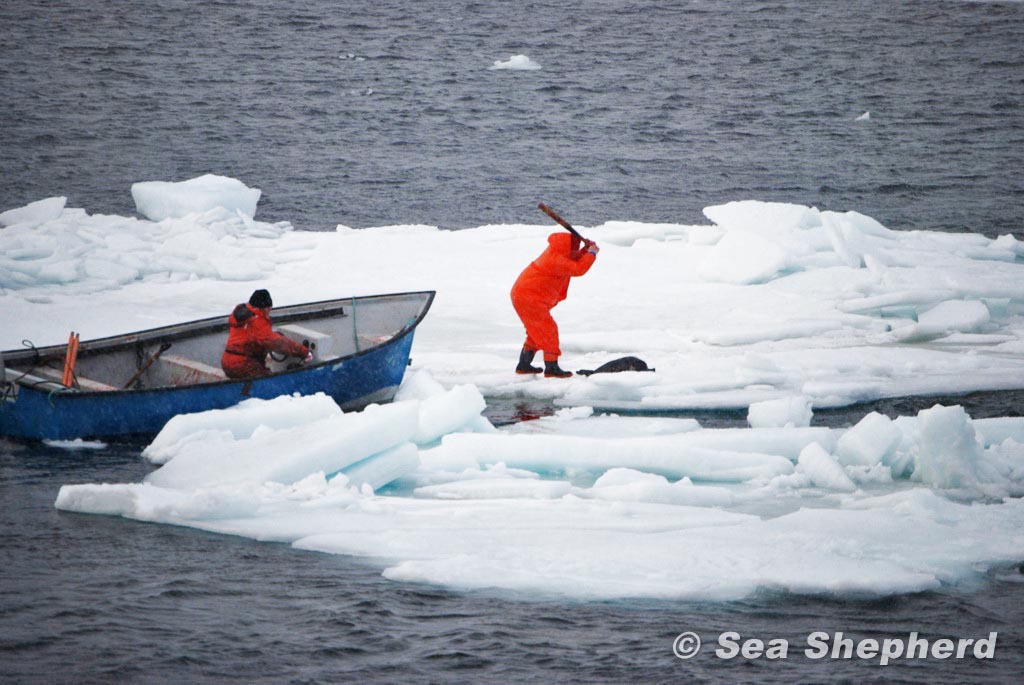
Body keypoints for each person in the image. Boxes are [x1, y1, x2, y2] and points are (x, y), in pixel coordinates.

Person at [510, 232, 599, 378]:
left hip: (525, 296)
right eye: (573, 245)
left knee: (537, 331)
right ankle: (551, 368)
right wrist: (592, 253)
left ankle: (524, 365)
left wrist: (585, 250)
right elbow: (578, 269)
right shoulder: (556, 260)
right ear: (565, 246)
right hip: (529, 298)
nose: (574, 249)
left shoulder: (556, 254)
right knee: (549, 330)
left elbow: (573, 260)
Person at [221, 289, 311, 379]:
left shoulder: (244, 315)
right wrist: (303, 351)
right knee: (271, 381)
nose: (270, 311)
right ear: (264, 307)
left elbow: (253, 336)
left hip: (228, 362)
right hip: (243, 364)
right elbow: (274, 342)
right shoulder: (257, 320)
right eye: (269, 308)